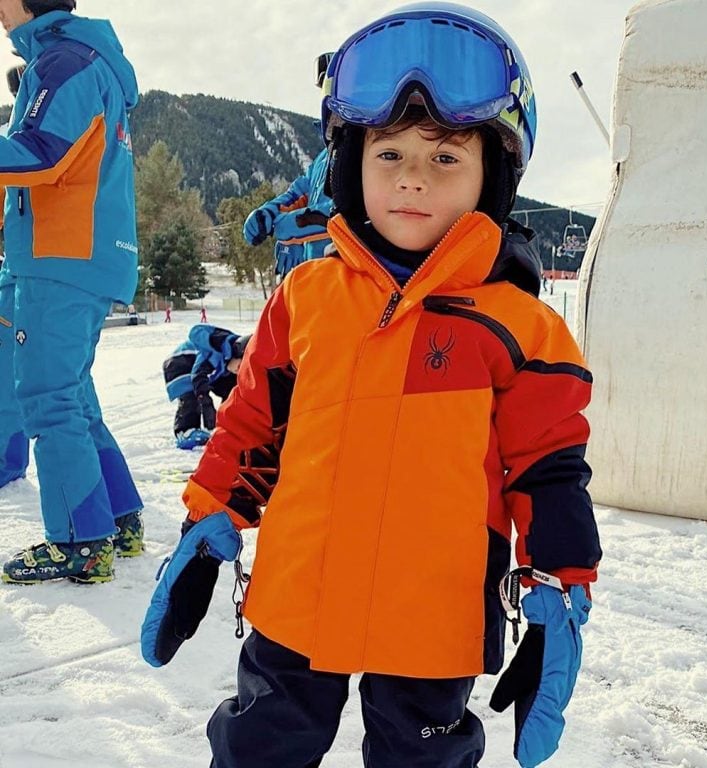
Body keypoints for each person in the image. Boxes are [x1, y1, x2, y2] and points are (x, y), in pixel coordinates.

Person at [142, 5, 602, 768]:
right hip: (296, 602)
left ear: (496, 175)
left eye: (447, 158)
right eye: (389, 154)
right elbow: (254, 424)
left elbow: (550, 469)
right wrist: (209, 517)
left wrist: (561, 579)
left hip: (433, 621)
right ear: (351, 164)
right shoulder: (306, 298)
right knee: (258, 747)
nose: (413, 177)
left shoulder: (522, 328)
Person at [0, 0, 143, 584]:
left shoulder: (65, 60)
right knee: (73, 395)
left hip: (63, 254)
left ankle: (80, 543)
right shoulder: (85, 58)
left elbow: (42, 152)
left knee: (48, 396)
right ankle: (118, 518)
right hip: (83, 254)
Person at [244, 146, 333, 279]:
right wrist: (270, 212)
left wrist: (289, 229)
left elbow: (349, 212)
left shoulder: (366, 146)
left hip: (352, 283)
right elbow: (301, 191)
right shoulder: (326, 153)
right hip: (315, 277)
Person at [162, 325, 251, 450]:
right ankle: (186, 430)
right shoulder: (214, 350)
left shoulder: (229, 363)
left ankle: (228, 423)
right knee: (192, 394)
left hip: (212, 370)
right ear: (238, 352)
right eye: (241, 365)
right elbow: (197, 376)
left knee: (230, 390)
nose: (240, 370)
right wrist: (205, 402)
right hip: (180, 363)